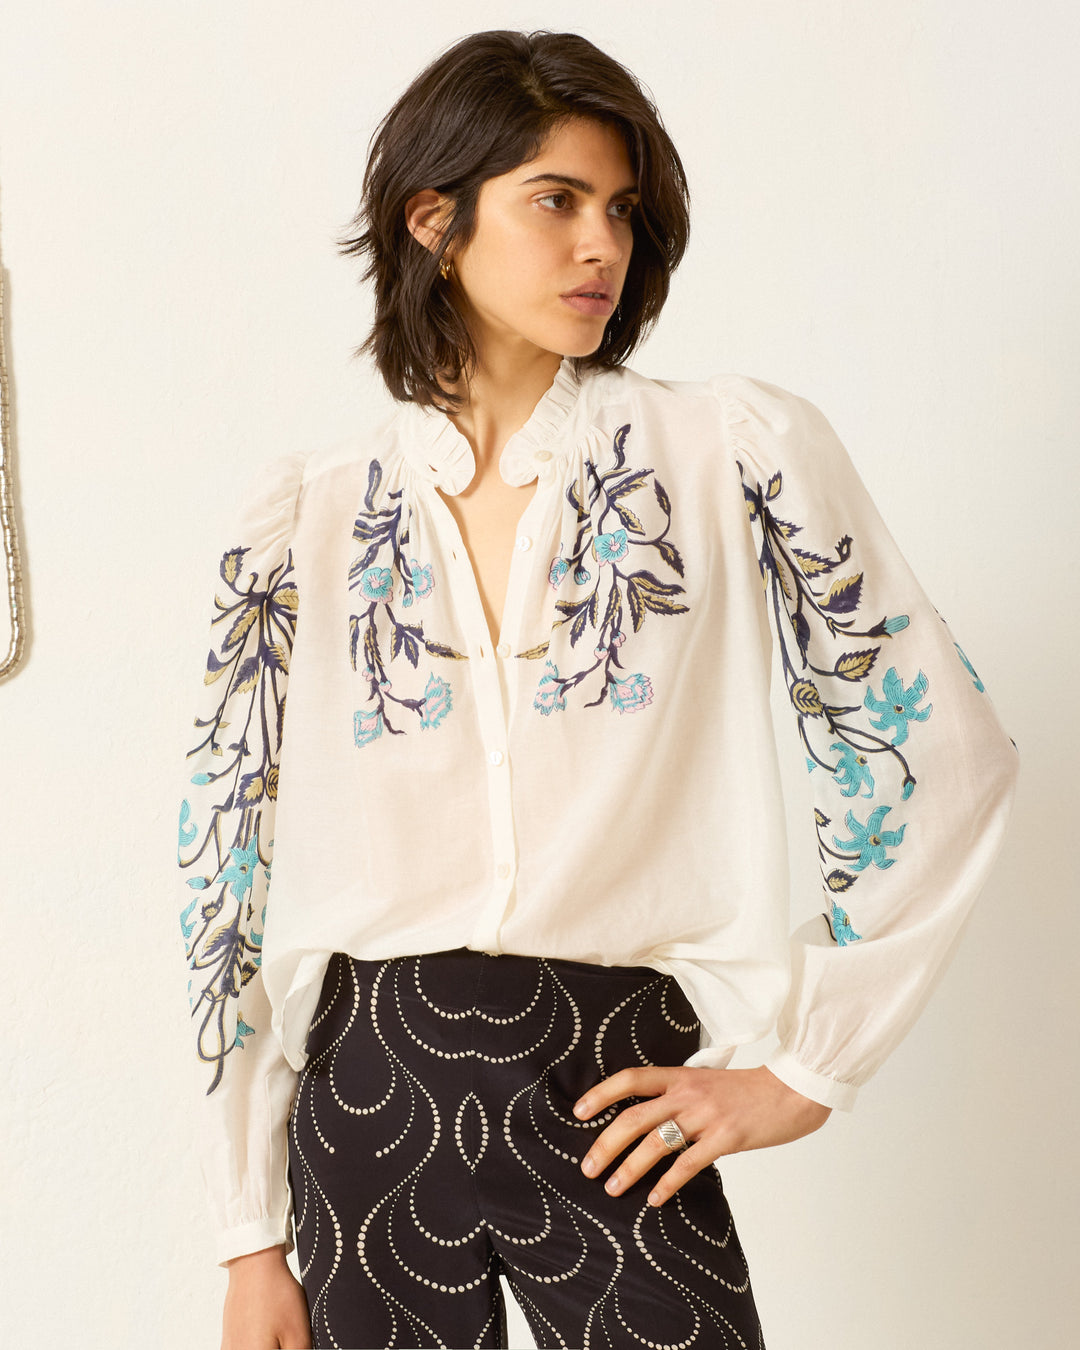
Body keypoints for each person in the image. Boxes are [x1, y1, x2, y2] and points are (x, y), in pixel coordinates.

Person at [176, 28, 1019, 1350]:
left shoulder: (727, 454)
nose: (600, 247)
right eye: (555, 200)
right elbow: (230, 872)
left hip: (610, 1080)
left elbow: (939, 746)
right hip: (367, 1095)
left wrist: (806, 1066)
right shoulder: (308, 519)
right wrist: (246, 1232)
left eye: (621, 210)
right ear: (433, 219)